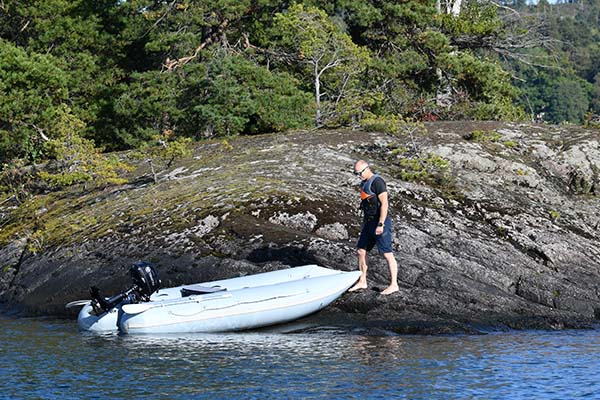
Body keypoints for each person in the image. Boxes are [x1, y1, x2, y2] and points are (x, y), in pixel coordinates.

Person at [349, 160, 399, 295]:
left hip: (380, 222)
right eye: (356, 173)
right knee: (361, 251)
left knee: (386, 253)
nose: (358, 176)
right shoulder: (363, 183)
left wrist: (381, 224)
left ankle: (394, 284)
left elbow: (384, 204)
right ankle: (362, 281)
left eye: (359, 173)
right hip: (368, 223)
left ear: (366, 169)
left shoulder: (378, 182)